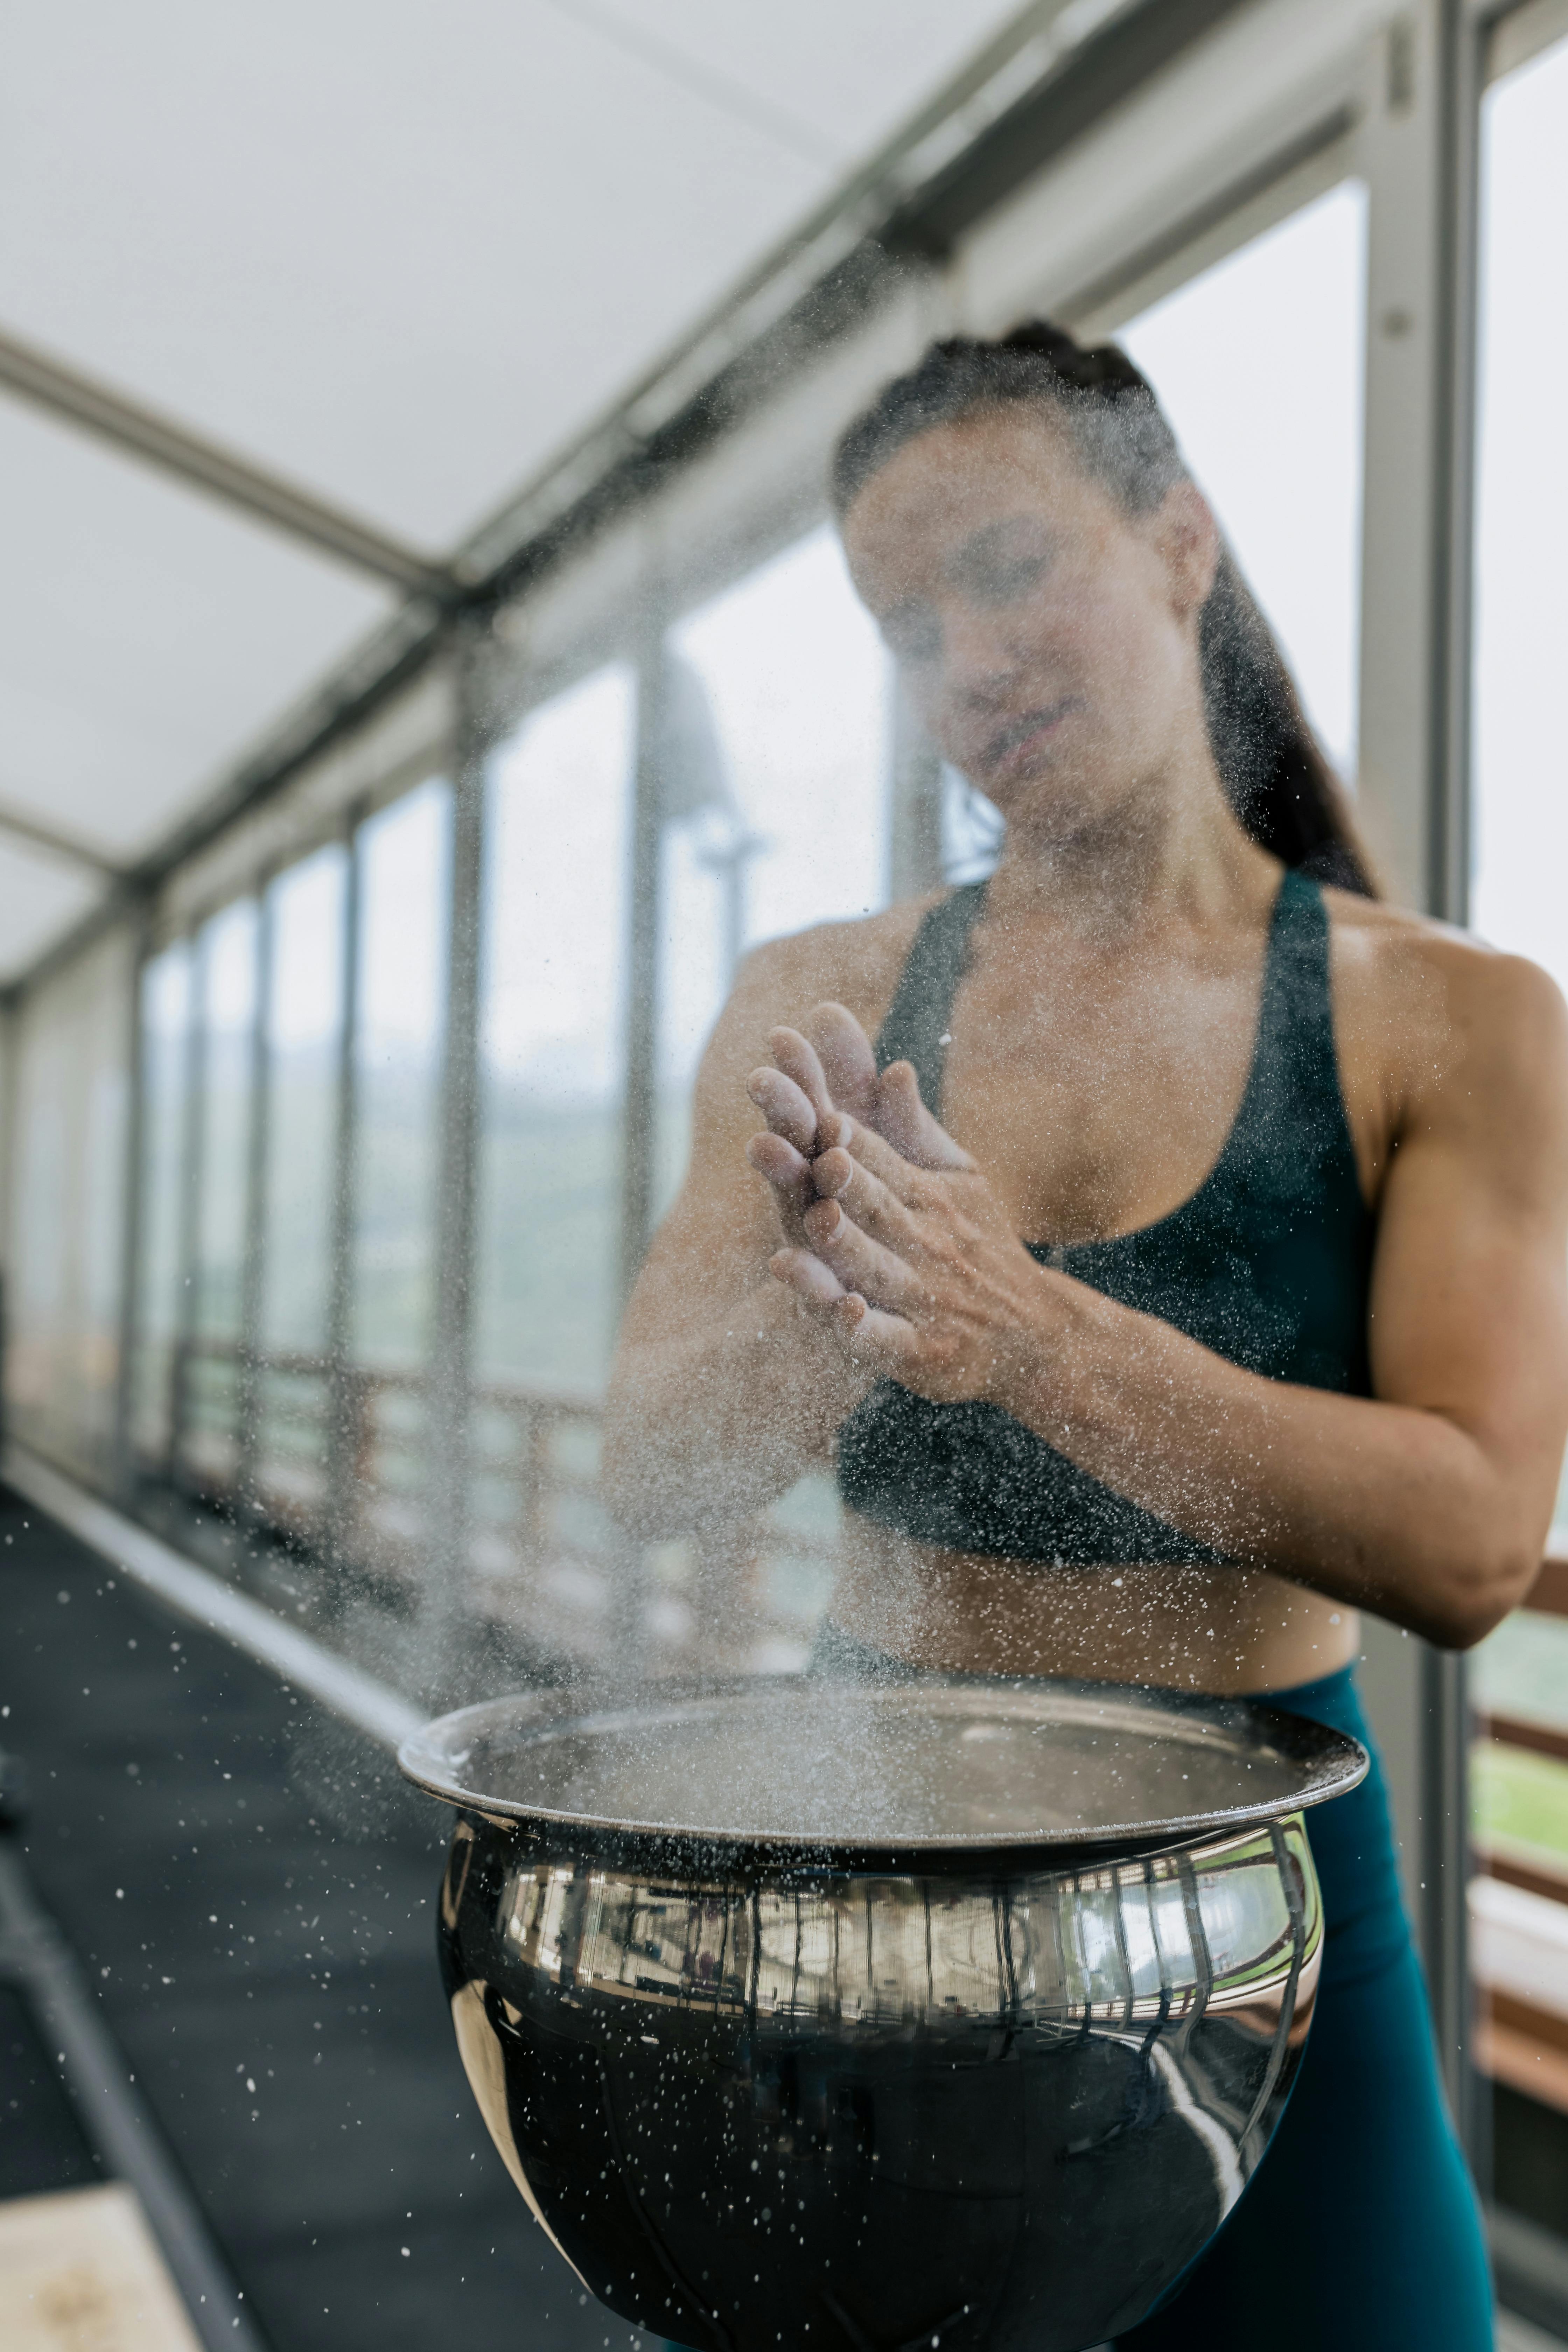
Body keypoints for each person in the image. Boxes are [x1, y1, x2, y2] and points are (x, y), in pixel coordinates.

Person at [603, 325, 1568, 2348]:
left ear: (1181, 543)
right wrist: (829, 1307)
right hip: (872, 1857)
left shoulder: (1451, 1019)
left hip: (1273, 1893)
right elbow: (653, 1478)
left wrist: (1022, 1329)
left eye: (1013, 565)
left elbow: (1476, 1547)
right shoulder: (823, 1001)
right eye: (904, 623)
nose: (964, 661)